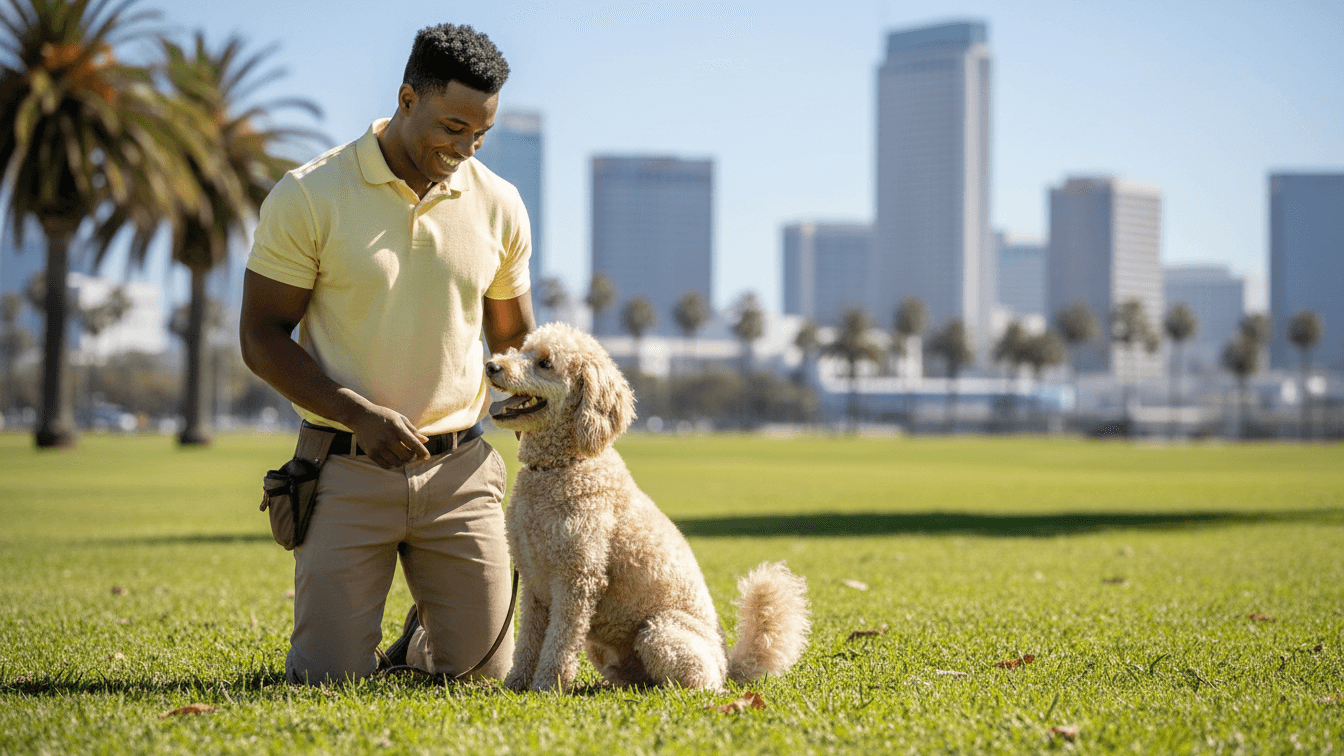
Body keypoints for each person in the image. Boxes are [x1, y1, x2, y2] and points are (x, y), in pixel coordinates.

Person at [240, 23, 532, 684]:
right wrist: (360, 414)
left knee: (484, 675)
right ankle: (385, 636)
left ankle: (423, 637)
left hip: (460, 473)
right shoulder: (311, 195)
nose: (465, 147)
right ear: (406, 98)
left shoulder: (501, 204)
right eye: (453, 127)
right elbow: (260, 336)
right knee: (328, 681)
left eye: (480, 134)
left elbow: (514, 342)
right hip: (346, 470)